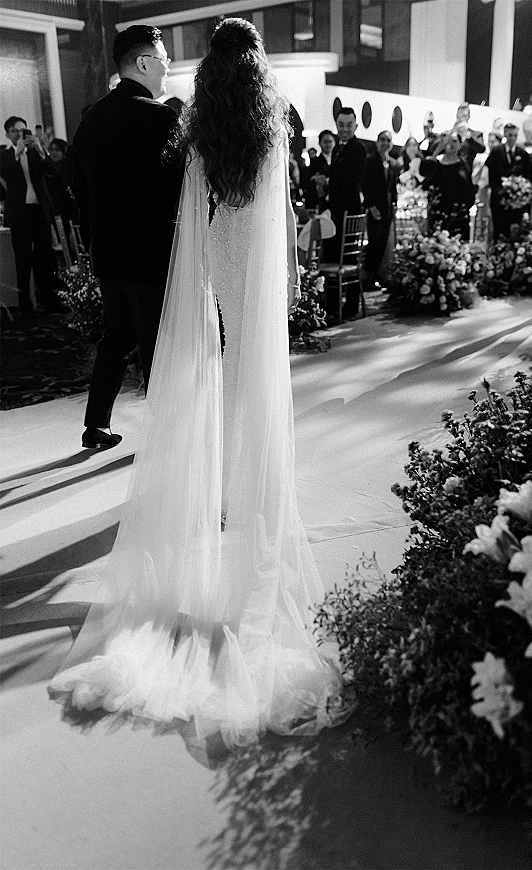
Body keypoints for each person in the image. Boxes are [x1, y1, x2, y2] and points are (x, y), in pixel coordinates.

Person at [48, 18, 352, 754]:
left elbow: (192, 218)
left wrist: (206, 281)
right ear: (257, 70)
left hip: (215, 265)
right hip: (258, 267)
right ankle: (262, 506)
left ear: (208, 74)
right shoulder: (271, 129)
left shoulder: (196, 135)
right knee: (258, 392)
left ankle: (221, 504)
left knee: (221, 389)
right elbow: (280, 215)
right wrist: (288, 278)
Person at [73, 25, 183, 450]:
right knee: (158, 347)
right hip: (151, 254)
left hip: (109, 254)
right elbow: (183, 190)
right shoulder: (161, 118)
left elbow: (79, 191)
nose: (167, 69)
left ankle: (96, 425)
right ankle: (164, 444)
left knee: (116, 338)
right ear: (143, 63)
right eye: (164, 60)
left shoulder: (91, 121)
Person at [0, 116, 63, 316]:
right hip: (20, 213)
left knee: (45, 258)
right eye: (16, 132)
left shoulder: (36, 153)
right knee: (22, 259)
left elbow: (53, 170)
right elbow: (6, 174)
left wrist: (41, 149)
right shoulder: (5, 156)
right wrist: (18, 153)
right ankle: (25, 304)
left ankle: (49, 301)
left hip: (39, 211)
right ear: (8, 134)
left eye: (23, 131)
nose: (21, 135)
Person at [323, 108, 366, 272]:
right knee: (331, 255)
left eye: (349, 125)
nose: (345, 129)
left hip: (349, 211)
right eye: (341, 125)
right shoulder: (336, 149)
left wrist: (328, 182)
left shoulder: (359, 149)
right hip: (335, 210)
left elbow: (352, 181)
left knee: (348, 257)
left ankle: (352, 297)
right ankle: (334, 297)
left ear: (356, 126)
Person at [423, 131, 475, 240]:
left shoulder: (464, 164)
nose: (451, 144)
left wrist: (466, 206)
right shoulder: (436, 162)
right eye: (448, 141)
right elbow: (425, 173)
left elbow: (469, 188)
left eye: (454, 141)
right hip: (440, 210)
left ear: (460, 144)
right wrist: (437, 149)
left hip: (459, 213)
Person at [486, 123, 532, 241]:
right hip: (499, 199)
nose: (512, 138)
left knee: (515, 231)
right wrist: (501, 191)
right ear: (505, 135)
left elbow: (528, 177)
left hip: (517, 201)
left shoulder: (522, 153)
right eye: (510, 135)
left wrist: (521, 193)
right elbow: (491, 174)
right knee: (499, 230)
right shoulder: (496, 151)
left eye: (515, 135)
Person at [362, 130, 398, 288]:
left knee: (383, 243)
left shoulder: (393, 163)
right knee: (374, 243)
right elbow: (365, 185)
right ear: (377, 142)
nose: (385, 143)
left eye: (388, 140)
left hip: (388, 208)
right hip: (374, 208)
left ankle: (377, 274)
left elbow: (393, 187)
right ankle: (369, 276)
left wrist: (395, 204)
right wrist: (370, 206)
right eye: (382, 139)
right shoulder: (369, 160)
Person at [46, 138, 78, 244]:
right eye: (52, 150)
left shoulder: (66, 169)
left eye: (57, 150)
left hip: (67, 210)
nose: (53, 153)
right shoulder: (47, 168)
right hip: (56, 210)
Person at [305, 129, 335, 210]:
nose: (328, 145)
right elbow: (310, 180)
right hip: (321, 202)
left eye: (330, 141)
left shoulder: (338, 159)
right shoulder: (315, 161)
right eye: (325, 142)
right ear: (320, 143)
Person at [452, 101, 485, 171]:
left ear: (468, 117)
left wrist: (468, 136)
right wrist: (452, 133)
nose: (461, 119)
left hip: (466, 173)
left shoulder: (476, 134)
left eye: (464, 116)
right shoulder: (451, 134)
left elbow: (481, 149)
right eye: (459, 116)